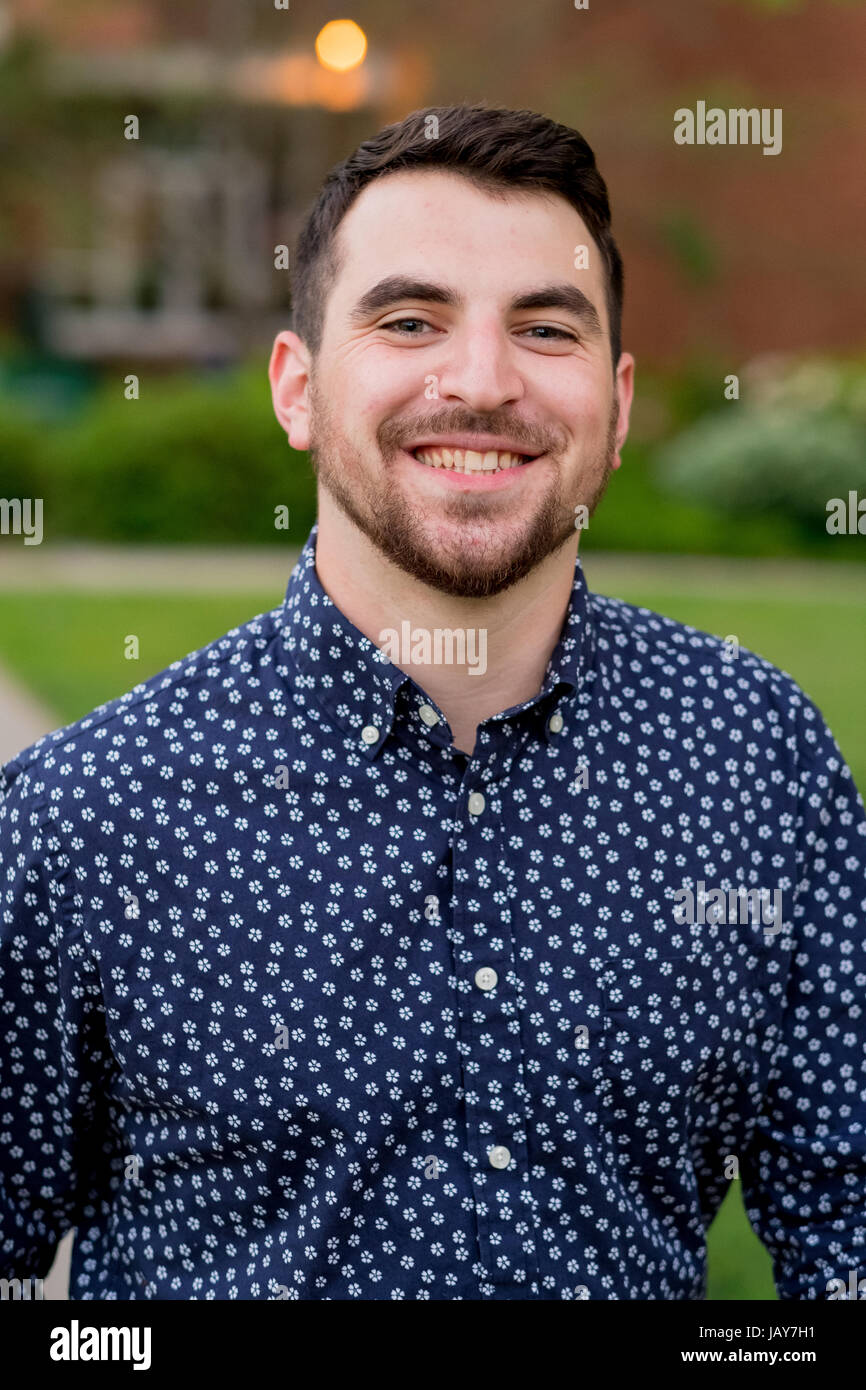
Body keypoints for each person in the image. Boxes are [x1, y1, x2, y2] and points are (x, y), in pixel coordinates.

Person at [1, 103, 863, 1302]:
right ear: (296, 389)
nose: (481, 381)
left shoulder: (754, 760)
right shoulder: (81, 812)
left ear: (614, 408)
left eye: (543, 328)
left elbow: (846, 1224)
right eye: (409, 320)